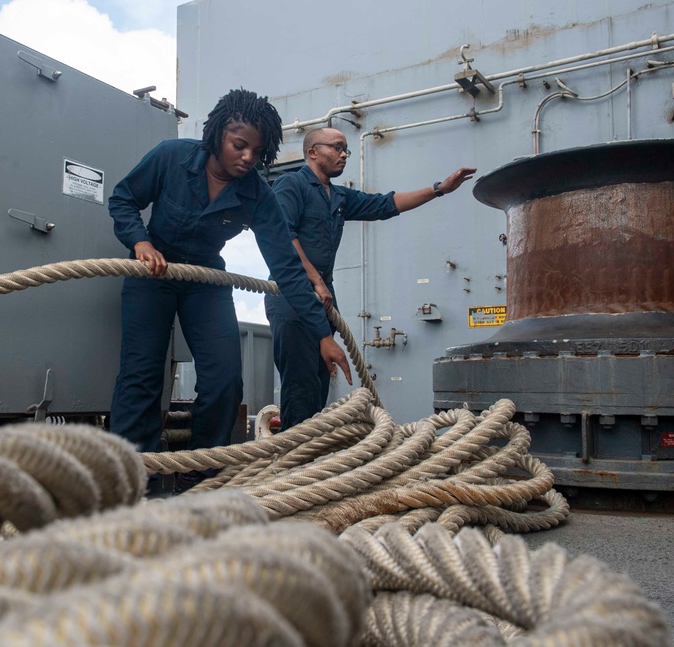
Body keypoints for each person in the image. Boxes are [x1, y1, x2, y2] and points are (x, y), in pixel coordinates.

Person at [107, 90, 353, 489]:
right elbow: (122, 199)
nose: (248, 158)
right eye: (240, 145)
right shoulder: (171, 156)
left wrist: (323, 336)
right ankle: (136, 478)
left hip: (206, 281)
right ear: (217, 134)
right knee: (141, 375)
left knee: (224, 379)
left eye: (258, 152)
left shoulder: (257, 194)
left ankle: (204, 478)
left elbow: (288, 270)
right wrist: (140, 242)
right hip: (152, 275)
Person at [265, 126, 475, 431]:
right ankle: (292, 467)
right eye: (337, 147)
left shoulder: (336, 195)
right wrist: (316, 281)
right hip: (292, 295)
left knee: (317, 386)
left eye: (346, 149)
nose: (343, 155)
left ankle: (308, 461)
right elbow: (285, 235)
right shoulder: (291, 185)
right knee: (300, 385)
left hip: (322, 298)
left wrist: (439, 189)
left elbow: (385, 205)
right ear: (312, 152)